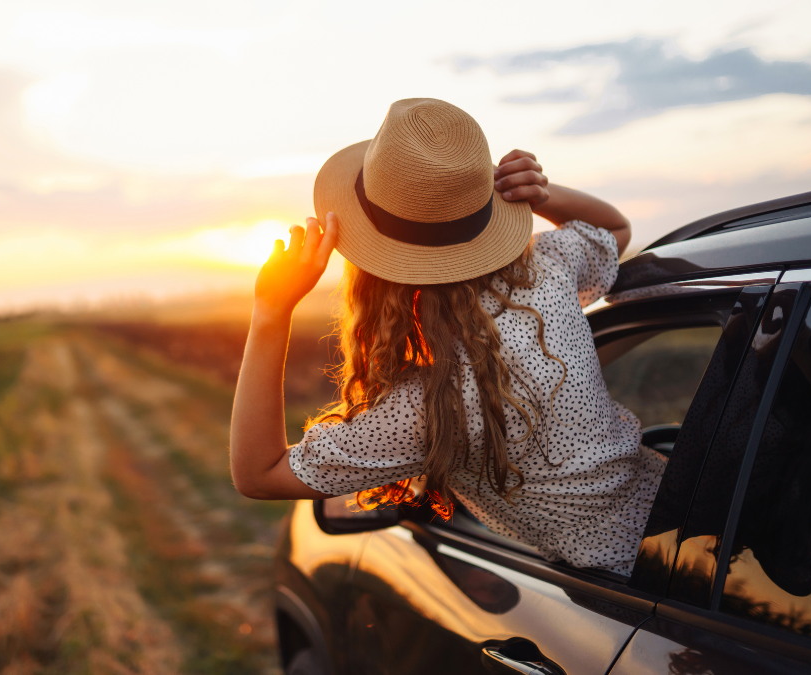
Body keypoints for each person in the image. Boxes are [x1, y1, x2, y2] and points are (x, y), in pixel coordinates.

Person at [229, 98, 665, 574]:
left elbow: (258, 474)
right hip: (684, 511)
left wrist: (272, 310)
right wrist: (540, 193)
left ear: (372, 263)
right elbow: (614, 230)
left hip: (634, 578)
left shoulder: (431, 407)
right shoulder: (544, 273)